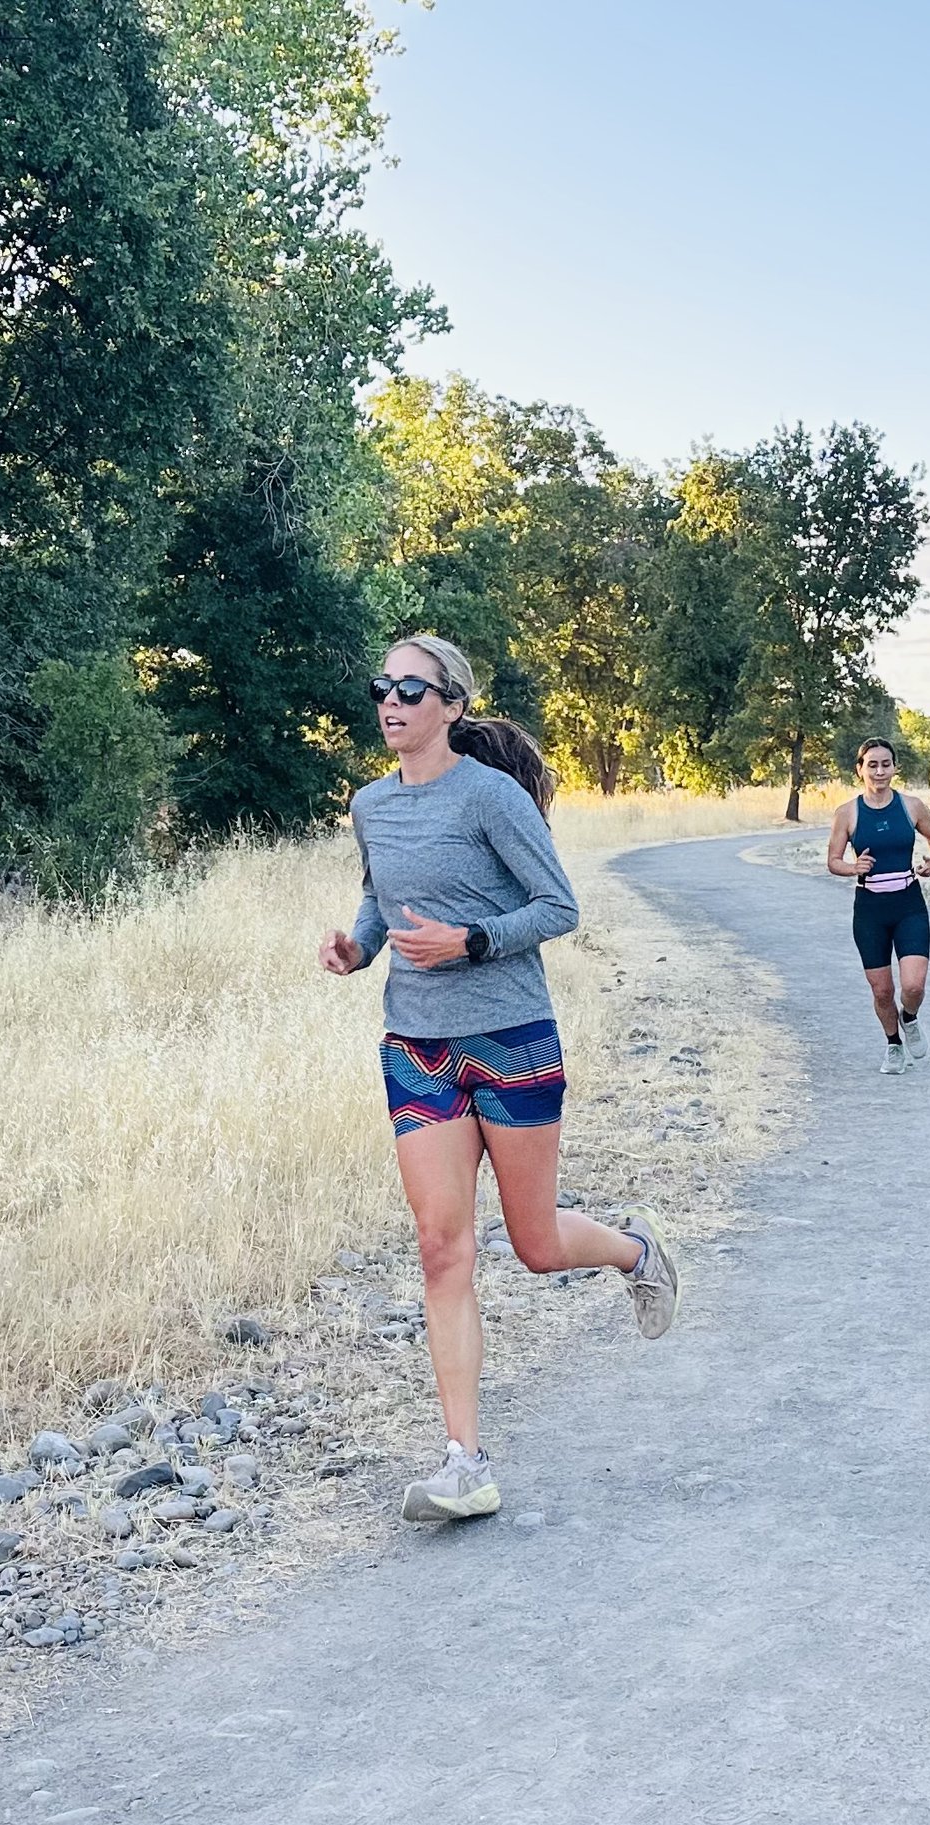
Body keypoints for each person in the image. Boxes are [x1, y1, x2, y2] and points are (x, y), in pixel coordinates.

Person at [319, 633, 680, 1524]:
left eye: (412, 687)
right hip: (417, 1047)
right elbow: (381, 899)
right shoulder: (370, 804)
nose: (392, 700)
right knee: (443, 1248)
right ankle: (463, 1463)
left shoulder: (493, 796)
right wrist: (357, 947)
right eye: (384, 686)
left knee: (534, 1243)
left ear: (452, 705)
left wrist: (470, 942)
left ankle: (636, 1250)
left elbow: (559, 904)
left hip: (512, 1037)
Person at [825, 738, 930, 1074]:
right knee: (882, 990)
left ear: (894, 767)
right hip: (870, 910)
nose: (880, 771)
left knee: (913, 986)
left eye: (886, 764)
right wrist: (853, 868)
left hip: (908, 903)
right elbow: (833, 861)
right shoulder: (847, 813)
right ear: (860, 769)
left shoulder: (911, 806)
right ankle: (893, 1045)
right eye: (872, 765)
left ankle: (909, 1017)